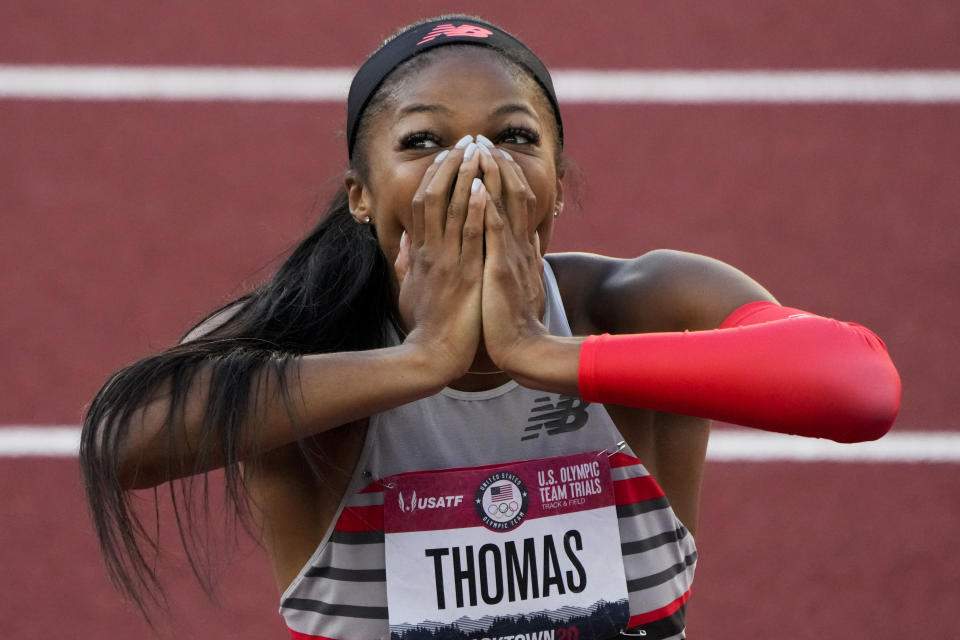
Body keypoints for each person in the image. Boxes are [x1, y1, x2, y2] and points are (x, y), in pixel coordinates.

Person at [80, 15, 901, 640]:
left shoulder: (633, 307)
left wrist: (545, 355)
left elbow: (860, 391)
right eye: (424, 140)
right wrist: (422, 361)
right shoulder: (306, 346)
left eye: (513, 137)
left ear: (556, 184)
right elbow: (124, 443)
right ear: (360, 197)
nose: (471, 165)